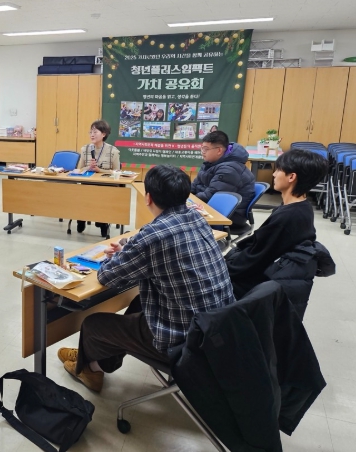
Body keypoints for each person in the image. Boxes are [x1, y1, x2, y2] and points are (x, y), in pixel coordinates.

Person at [58, 165, 235, 392]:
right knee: (138, 303)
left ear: (148, 198)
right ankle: (95, 359)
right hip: (216, 329)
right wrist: (128, 249)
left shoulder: (153, 237)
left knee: (94, 324)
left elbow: (106, 275)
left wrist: (122, 254)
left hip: (185, 343)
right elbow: (156, 246)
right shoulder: (196, 218)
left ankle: (90, 369)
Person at [225, 149, 329, 298]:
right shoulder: (301, 207)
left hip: (255, 282)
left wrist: (222, 268)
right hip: (263, 271)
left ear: (291, 177)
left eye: (279, 170)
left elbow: (255, 259)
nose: (274, 174)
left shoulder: (289, 216)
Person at [191, 130, 256, 228]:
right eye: (202, 148)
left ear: (219, 150)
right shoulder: (211, 163)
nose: (202, 152)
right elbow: (195, 185)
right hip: (211, 207)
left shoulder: (229, 170)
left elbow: (210, 195)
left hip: (230, 215)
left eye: (206, 149)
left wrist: (186, 202)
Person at [75, 120, 121, 236]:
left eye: (95, 132)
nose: (92, 135)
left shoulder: (113, 151)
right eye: (90, 132)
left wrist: (100, 170)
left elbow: (117, 171)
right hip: (87, 184)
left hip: (105, 185)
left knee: (100, 197)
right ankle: (81, 218)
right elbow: (79, 169)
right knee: (81, 195)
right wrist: (89, 167)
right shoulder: (85, 149)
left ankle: (102, 222)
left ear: (104, 134)